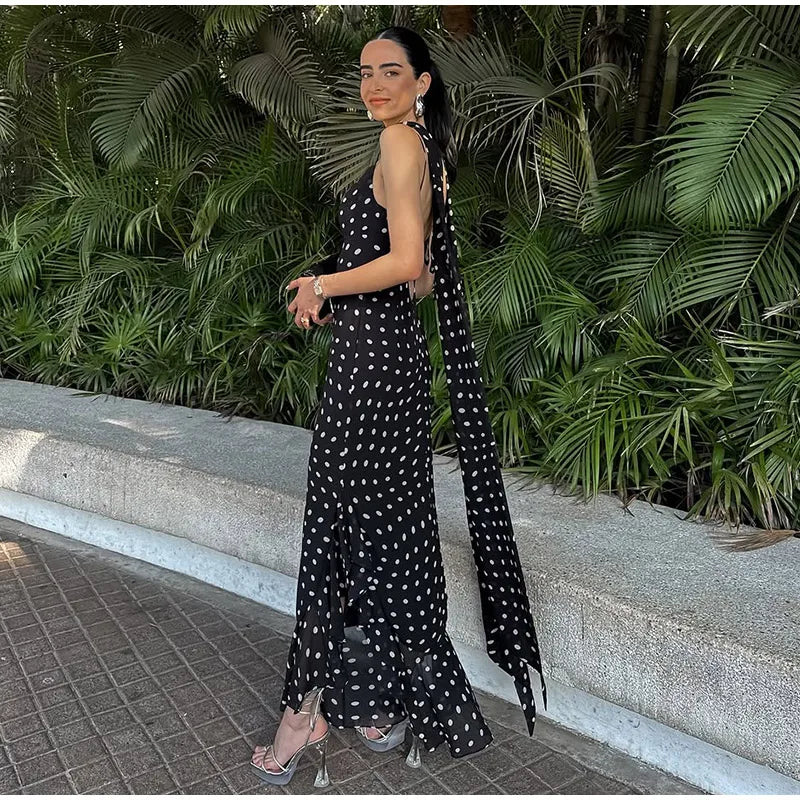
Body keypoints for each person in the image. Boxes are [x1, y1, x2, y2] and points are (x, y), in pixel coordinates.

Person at [250, 25, 547, 788]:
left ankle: (305, 714)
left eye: (391, 71)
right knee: (387, 534)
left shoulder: (400, 147)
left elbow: (408, 263)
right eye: (365, 73)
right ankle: (381, 701)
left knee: (338, 532)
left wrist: (323, 286)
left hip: (369, 372)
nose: (374, 84)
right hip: (394, 362)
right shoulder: (427, 155)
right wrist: (335, 284)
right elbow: (413, 282)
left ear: (422, 82)